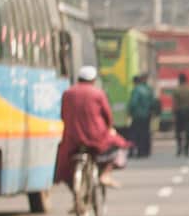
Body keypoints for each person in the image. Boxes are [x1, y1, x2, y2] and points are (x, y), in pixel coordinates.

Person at [55, 65, 130, 193]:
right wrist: (110, 128)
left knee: (64, 163)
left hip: (72, 137)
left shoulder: (68, 93)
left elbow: (62, 115)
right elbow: (108, 116)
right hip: (96, 136)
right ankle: (105, 174)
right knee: (120, 145)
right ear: (93, 80)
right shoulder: (98, 93)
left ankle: (76, 195)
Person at [127, 73, 154, 158]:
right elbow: (153, 102)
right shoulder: (148, 89)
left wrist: (130, 112)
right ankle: (145, 151)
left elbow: (133, 103)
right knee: (145, 133)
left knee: (135, 134)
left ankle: (136, 151)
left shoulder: (136, 90)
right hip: (147, 115)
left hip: (138, 115)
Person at [172, 73, 189, 157]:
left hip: (179, 112)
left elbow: (175, 103)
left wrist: (174, 114)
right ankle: (187, 149)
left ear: (179, 80)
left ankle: (179, 148)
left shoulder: (176, 90)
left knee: (178, 131)